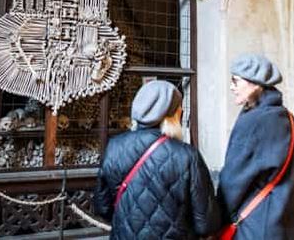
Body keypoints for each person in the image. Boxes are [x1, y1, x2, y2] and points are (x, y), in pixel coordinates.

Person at [94, 80, 222, 239]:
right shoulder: (186, 155)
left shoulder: (114, 147)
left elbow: (102, 207)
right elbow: (206, 224)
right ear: (172, 115)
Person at [217, 54, 294, 239]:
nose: (232, 87)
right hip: (285, 223)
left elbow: (233, 181)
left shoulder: (254, 120)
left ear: (255, 84)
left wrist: (216, 221)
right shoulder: (287, 118)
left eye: (235, 80)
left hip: (254, 226)